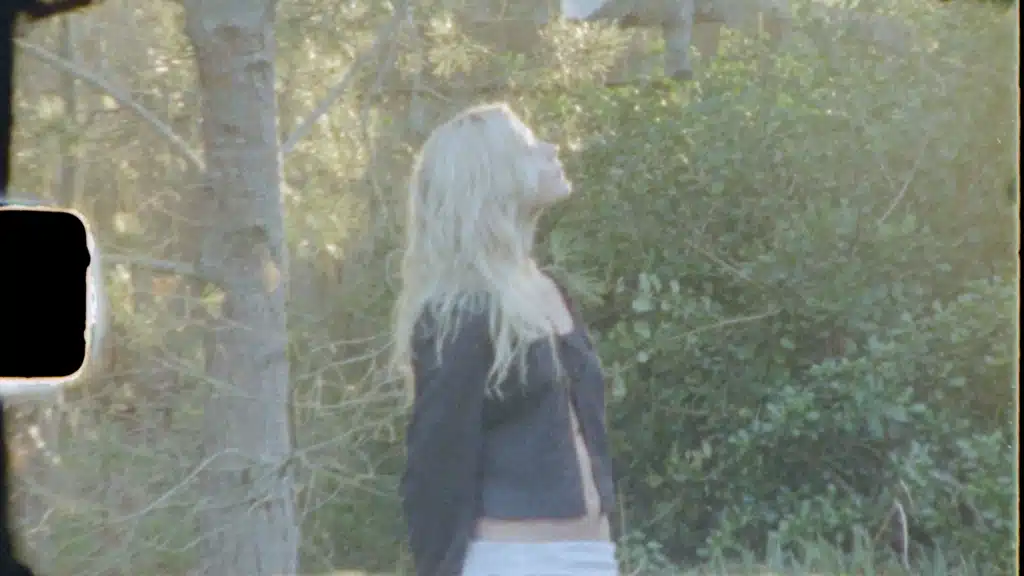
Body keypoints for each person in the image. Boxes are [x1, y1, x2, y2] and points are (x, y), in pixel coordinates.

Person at [391, 102, 619, 576]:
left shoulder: (550, 289)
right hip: (512, 559)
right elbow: (433, 466)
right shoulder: (461, 312)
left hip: (592, 556)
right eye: (529, 147)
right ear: (492, 177)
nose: (551, 149)